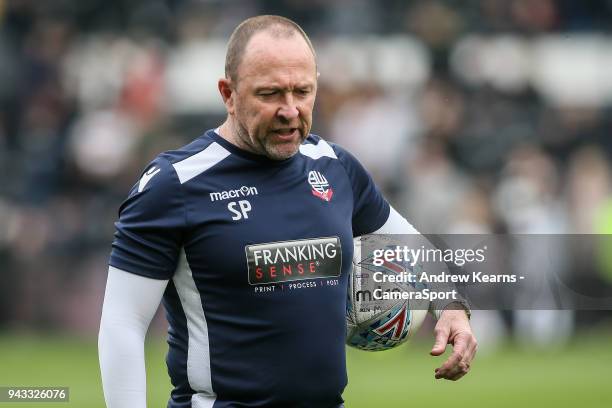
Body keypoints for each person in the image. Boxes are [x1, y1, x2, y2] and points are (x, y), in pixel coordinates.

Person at [98, 15, 477, 408]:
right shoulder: (173, 184)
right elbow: (123, 324)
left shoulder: (336, 167)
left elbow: (413, 246)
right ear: (228, 94)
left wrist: (452, 306)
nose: (290, 110)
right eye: (270, 94)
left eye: (303, 91)